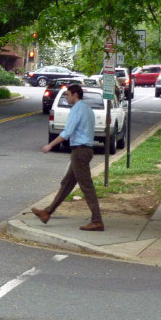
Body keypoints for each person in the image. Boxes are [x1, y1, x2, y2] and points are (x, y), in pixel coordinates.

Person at [32, 84, 104, 231]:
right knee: (67, 183)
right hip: (84, 151)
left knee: (87, 187)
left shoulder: (77, 110)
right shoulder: (87, 109)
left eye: (68, 94)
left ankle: (97, 221)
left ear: (75, 95)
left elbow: (67, 132)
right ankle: (47, 212)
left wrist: (50, 145)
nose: (66, 97)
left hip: (80, 152)